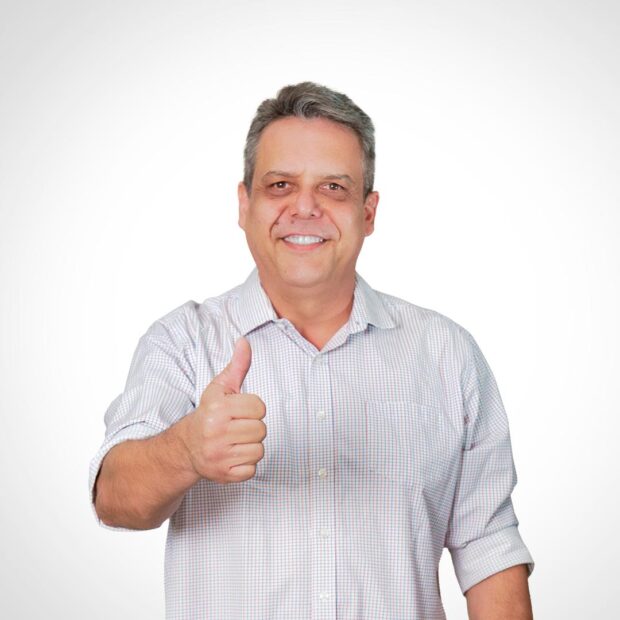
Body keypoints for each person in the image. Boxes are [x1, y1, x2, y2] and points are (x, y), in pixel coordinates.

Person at [90, 82, 535, 619]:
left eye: (333, 187)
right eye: (280, 185)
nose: (304, 207)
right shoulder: (183, 342)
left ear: (368, 212)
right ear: (244, 204)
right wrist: (186, 450)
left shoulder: (447, 354)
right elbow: (115, 499)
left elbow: (488, 547)